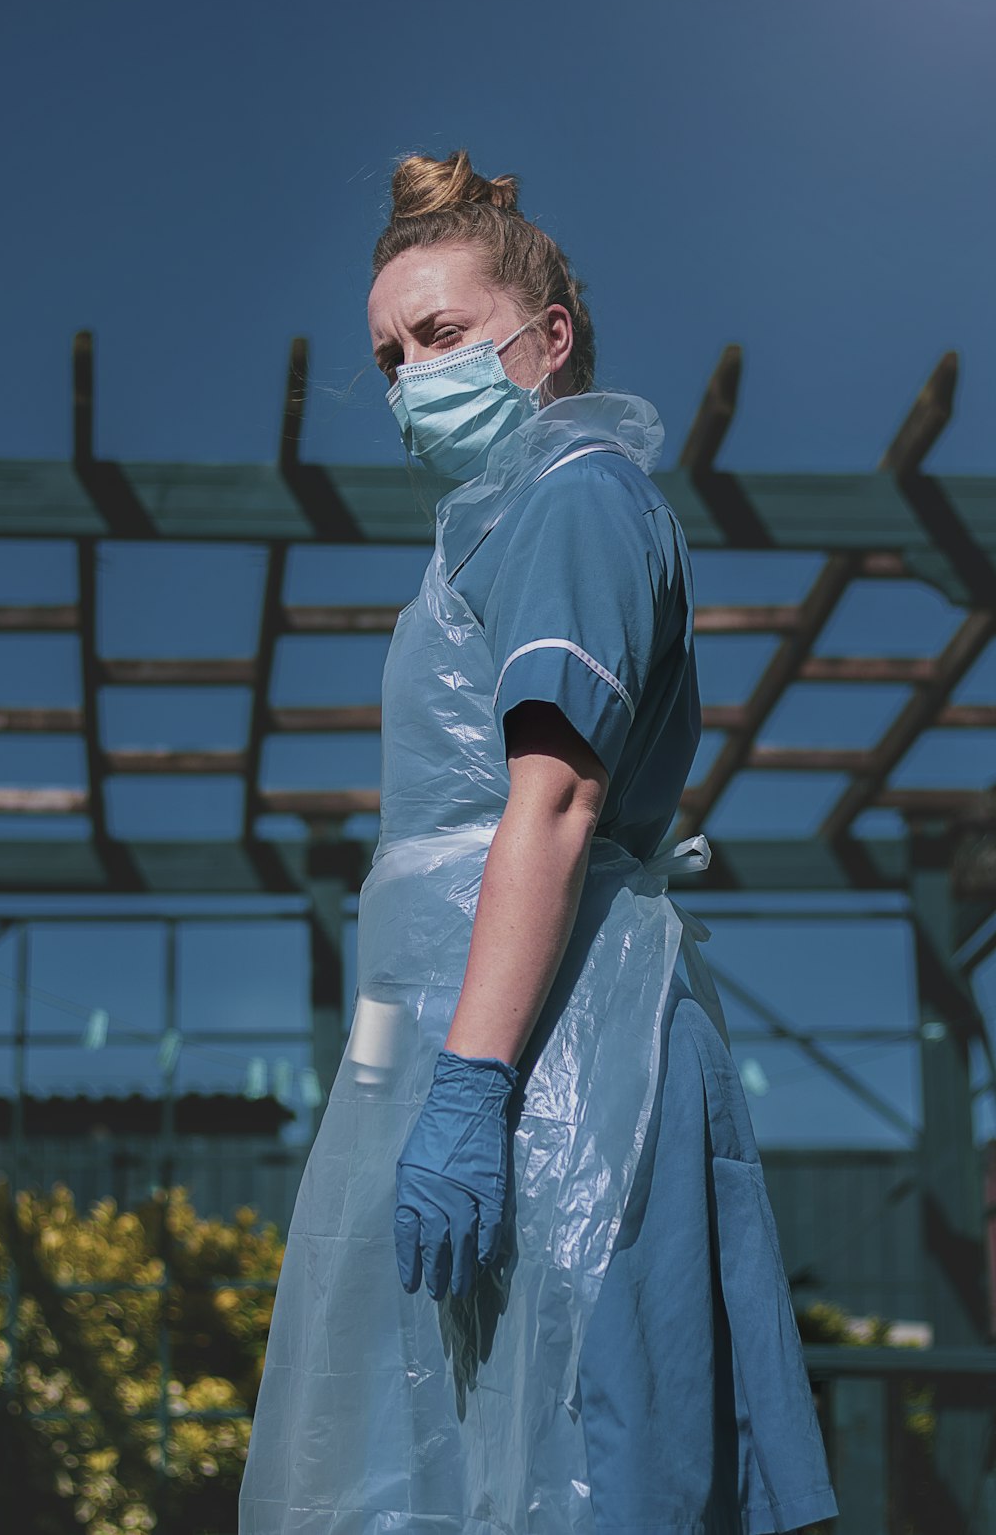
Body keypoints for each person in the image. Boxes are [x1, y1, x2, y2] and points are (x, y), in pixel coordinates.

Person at [239, 149, 839, 1535]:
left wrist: (466, 1090)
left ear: (546, 336)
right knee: (472, 1468)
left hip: (562, 1073)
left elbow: (555, 803)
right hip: (484, 1065)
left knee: (585, 1459)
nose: (409, 377)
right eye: (391, 355)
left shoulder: (575, 495)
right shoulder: (478, 541)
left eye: (441, 334)